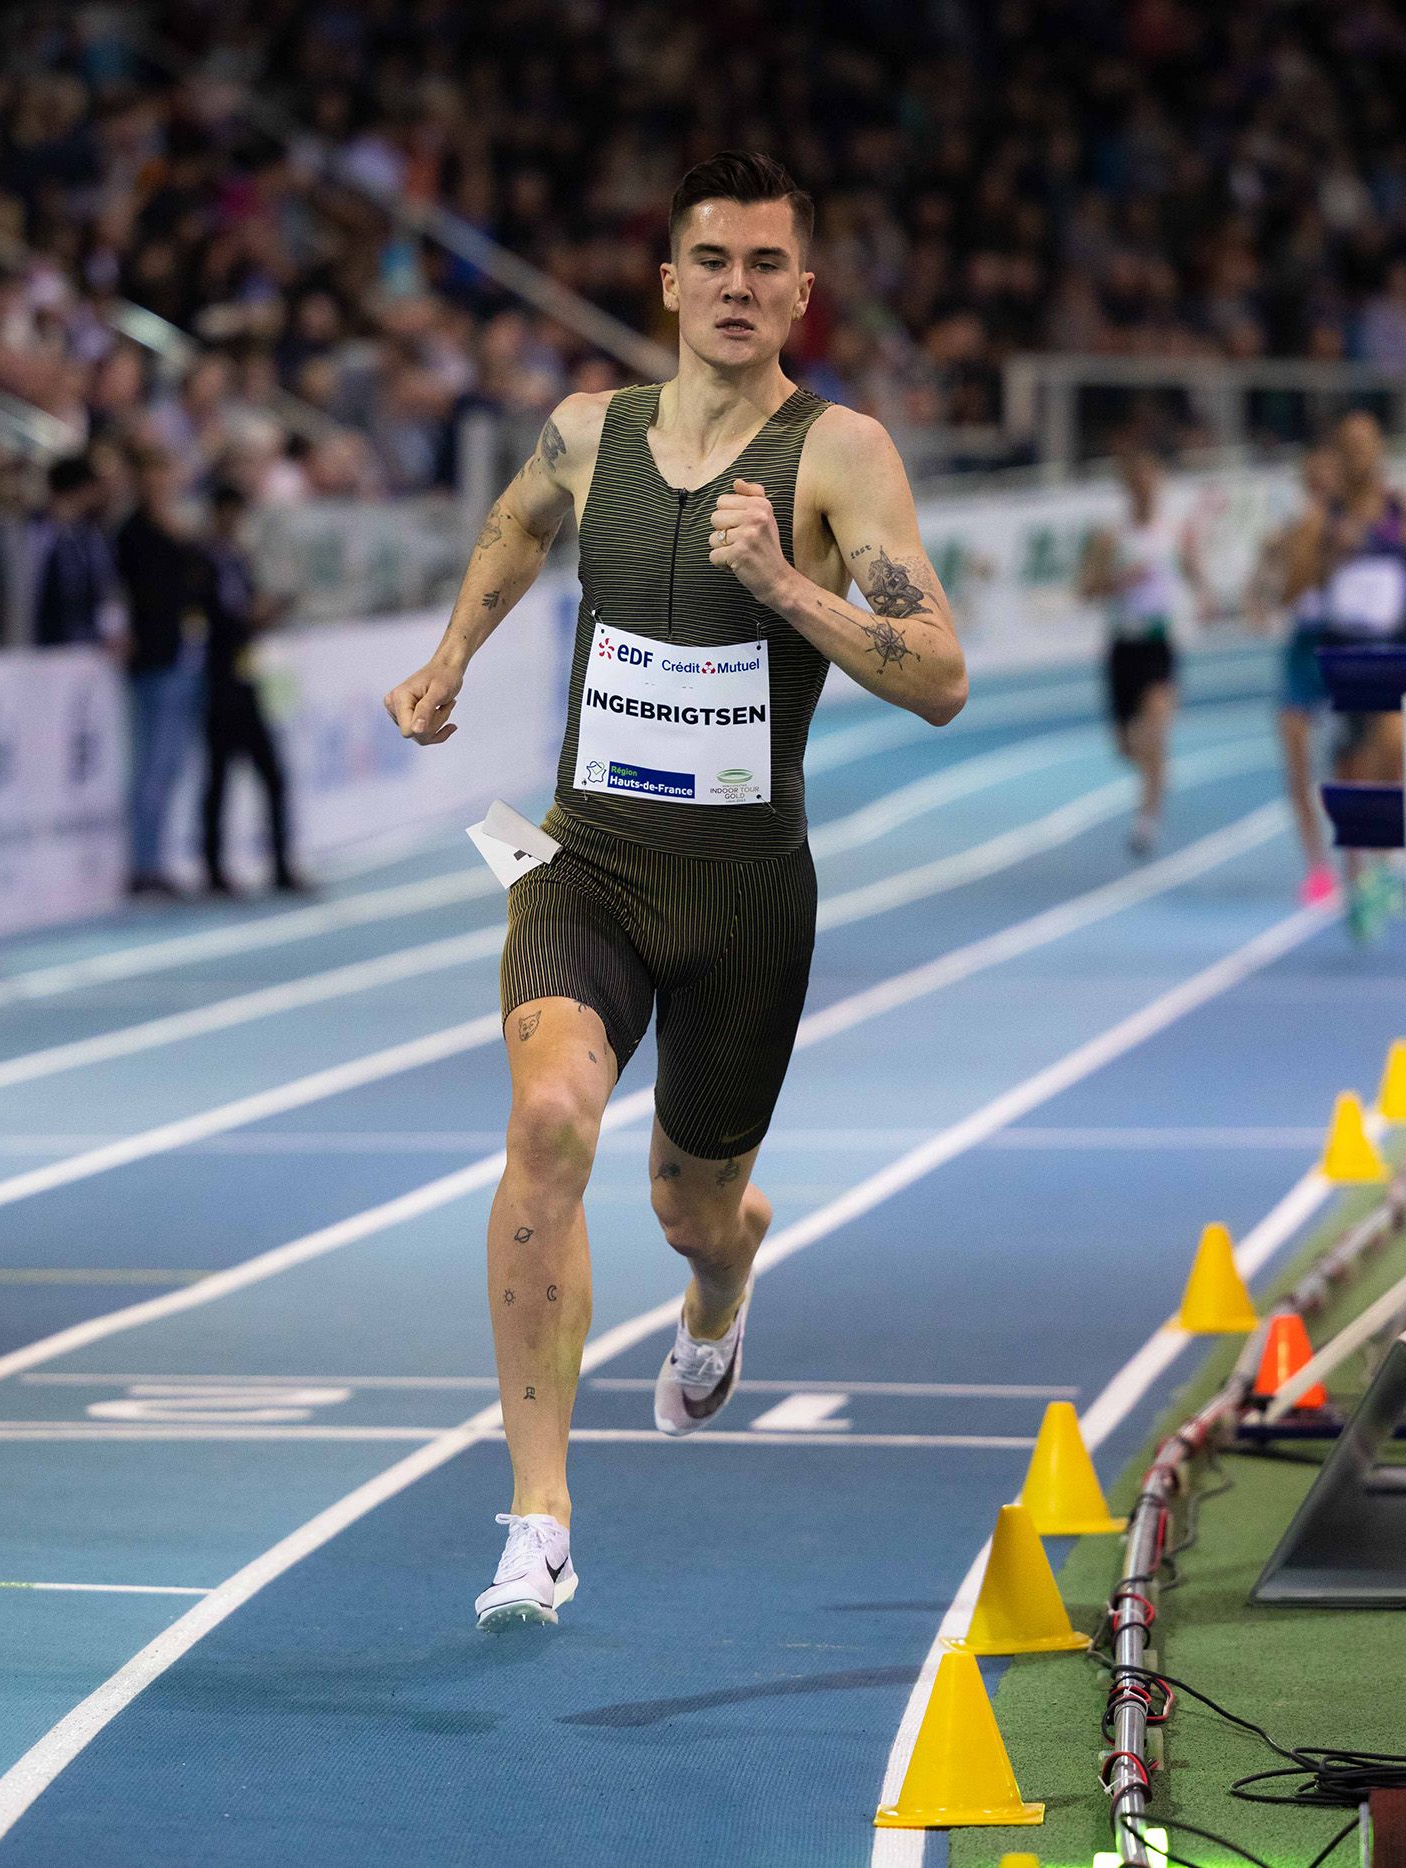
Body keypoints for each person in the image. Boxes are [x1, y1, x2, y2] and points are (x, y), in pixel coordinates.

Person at [381, 152, 967, 1630]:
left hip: (746, 895)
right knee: (548, 1120)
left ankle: (723, 1283)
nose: (738, 289)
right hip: (585, 864)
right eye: (713, 261)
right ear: (668, 280)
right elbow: (519, 525)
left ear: (802, 294)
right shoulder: (589, 433)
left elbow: (942, 679)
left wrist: (786, 588)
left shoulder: (841, 457)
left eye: (768, 266)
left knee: (687, 1207)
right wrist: (454, 654)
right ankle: (539, 1516)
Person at [1300, 409, 1406, 935]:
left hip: (1390, 651)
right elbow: (1298, 584)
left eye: (1367, 444)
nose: (1359, 455)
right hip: (1341, 657)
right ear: (1339, 454)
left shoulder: (1404, 508)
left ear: (1380, 449)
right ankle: (1360, 880)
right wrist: (1326, 558)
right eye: (1349, 445)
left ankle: (1389, 860)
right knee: (1349, 773)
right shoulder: (1325, 516)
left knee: (1394, 742)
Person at [1079, 449, 1206, 857]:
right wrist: (1118, 580)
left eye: (1152, 484)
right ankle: (1155, 772)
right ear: (1128, 489)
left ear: (1160, 487)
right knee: (1125, 747)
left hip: (1158, 646)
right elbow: (1085, 589)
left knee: (1156, 730)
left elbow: (1192, 573)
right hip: (1122, 648)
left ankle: (1146, 820)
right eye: (1138, 485)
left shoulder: (1173, 532)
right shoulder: (1112, 537)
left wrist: (1205, 595)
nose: (1146, 492)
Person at [198, 481, 299, 897]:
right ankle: (214, 870)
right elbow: (217, 619)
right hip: (219, 681)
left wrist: (268, 611)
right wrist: (253, 617)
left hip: (246, 677)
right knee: (220, 776)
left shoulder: (237, 558)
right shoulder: (204, 560)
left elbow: (247, 608)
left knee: (271, 776)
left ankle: (279, 866)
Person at [116, 448, 207, 894]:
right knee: (152, 765)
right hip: (155, 659)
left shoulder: (176, 529)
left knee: (170, 766)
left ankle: (155, 859)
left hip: (183, 654)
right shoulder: (133, 533)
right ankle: (143, 865)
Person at [1265, 440, 1343, 905]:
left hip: (1344, 645)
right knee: (1297, 764)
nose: (1318, 488)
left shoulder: (1358, 528)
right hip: (1301, 649)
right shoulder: (1293, 533)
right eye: (1310, 481)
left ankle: (1370, 855)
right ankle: (1318, 868)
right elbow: (1277, 594)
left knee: (1352, 762)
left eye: (1325, 479)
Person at [30, 454, 122, 650]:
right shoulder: (32, 532)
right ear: (84, 489)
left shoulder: (90, 537)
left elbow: (105, 586)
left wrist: (114, 629)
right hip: (36, 642)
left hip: (83, 643)